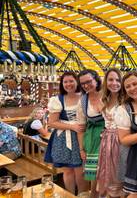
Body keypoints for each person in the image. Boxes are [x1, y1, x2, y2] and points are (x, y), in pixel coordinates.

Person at [45, 71, 88, 195]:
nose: (68, 84)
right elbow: (52, 123)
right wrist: (72, 126)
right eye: (65, 82)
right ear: (62, 84)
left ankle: (82, 195)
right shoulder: (57, 99)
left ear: (77, 82)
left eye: (71, 81)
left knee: (81, 171)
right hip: (64, 138)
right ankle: (69, 195)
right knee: (68, 171)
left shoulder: (85, 97)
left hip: (83, 136)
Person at [96, 68, 127, 198]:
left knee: (119, 173)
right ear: (105, 82)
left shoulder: (126, 100)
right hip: (106, 142)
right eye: (110, 79)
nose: (114, 83)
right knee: (107, 172)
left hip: (121, 140)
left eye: (118, 80)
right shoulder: (103, 100)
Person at [77, 69, 105, 198]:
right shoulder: (82, 101)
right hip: (92, 139)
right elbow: (81, 128)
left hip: (109, 136)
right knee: (94, 177)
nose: (86, 85)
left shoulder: (107, 94)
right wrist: (81, 149)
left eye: (89, 81)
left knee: (107, 174)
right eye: (83, 83)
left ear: (96, 79)